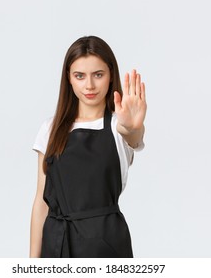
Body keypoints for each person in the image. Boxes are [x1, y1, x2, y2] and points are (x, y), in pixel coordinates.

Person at [30, 36, 147, 258]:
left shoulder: (118, 125)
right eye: (80, 76)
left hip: (105, 246)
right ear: (69, 78)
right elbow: (40, 202)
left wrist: (133, 127)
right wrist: (32, 265)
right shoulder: (50, 128)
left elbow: (133, 137)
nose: (90, 85)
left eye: (98, 75)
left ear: (110, 75)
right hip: (57, 245)